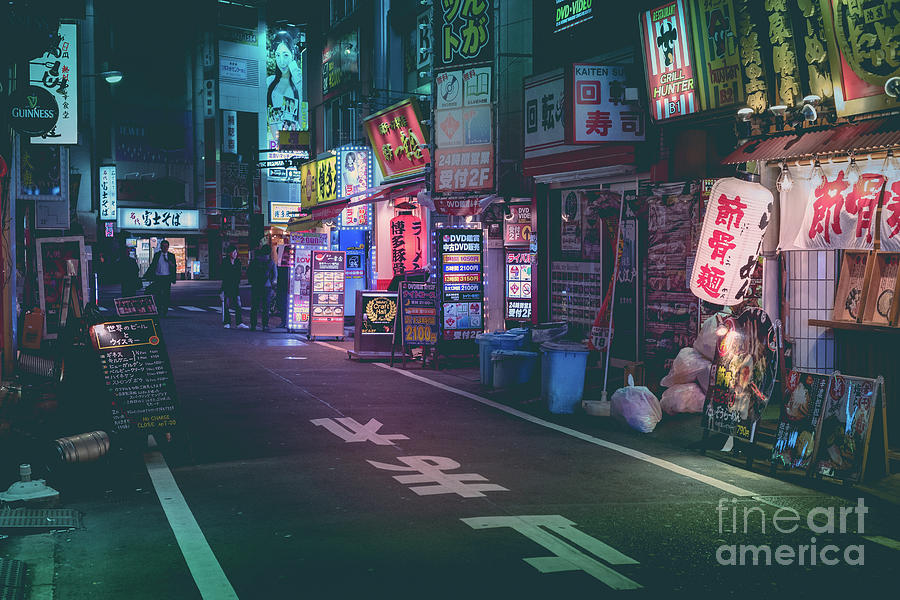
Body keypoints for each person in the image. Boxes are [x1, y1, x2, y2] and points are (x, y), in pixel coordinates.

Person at [266, 31, 301, 141]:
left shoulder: (299, 79)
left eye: (286, 55)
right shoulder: (269, 82)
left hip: (299, 139)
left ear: (292, 54)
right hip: (276, 141)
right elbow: (270, 117)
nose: (281, 61)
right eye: (278, 55)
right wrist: (279, 141)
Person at [247, 245, 277, 331]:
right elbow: (275, 276)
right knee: (266, 307)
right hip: (266, 287)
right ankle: (265, 325)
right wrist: (272, 284)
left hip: (256, 286)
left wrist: (252, 282)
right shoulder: (271, 262)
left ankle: (253, 325)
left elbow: (249, 272)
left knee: (254, 306)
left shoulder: (255, 261)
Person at [144, 239, 177, 316]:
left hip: (167, 277)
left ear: (168, 247)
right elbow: (153, 265)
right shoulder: (157, 255)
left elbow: (174, 266)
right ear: (161, 247)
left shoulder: (171, 256)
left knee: (166, 294)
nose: (165, 248)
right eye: (163, 246)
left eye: (166, 247)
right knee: (158, 294)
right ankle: (158, 309)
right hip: (158, 277)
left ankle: (165, 309)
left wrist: (169, 261)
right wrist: (148, 275)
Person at [221, 244, 248, 329]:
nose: (235, 254)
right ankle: (227, 322)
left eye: (236, 252)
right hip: (227, 286)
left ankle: (239, 322)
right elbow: (224, 276)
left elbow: (238, 274)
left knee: (238, 305)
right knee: (226, 305)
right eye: (234, 252)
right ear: (229, 253)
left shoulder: (238, 262)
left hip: (235, 286)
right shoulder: (225, 262)